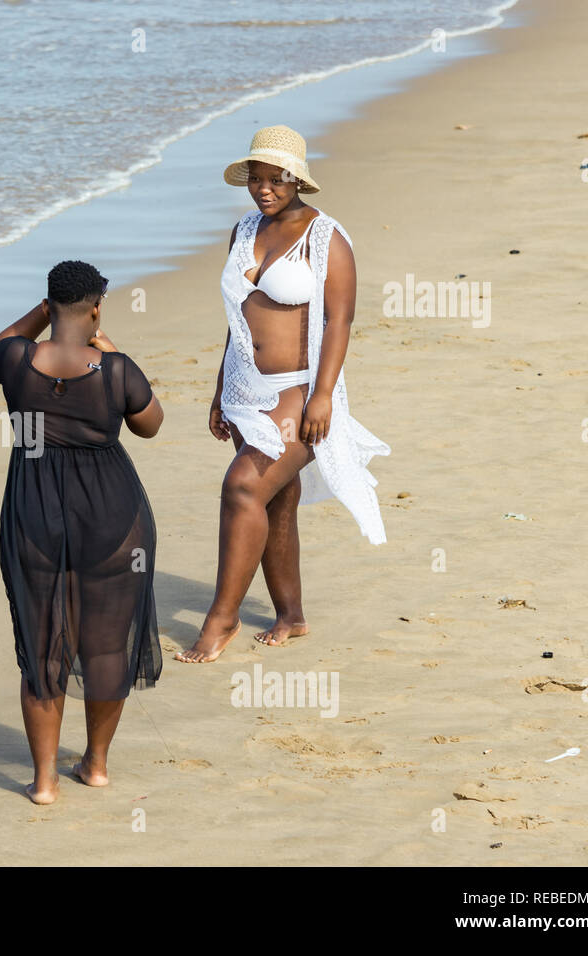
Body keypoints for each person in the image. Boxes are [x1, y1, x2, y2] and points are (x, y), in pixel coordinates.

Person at [176, 125, 389, 664]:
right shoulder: (244, 229)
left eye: (276, 180)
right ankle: (291, 615)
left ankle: (220, 621)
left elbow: (340, 321)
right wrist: (221, 388)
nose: (264, 189)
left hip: (300, 391)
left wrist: (323, 397)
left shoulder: (326, 238)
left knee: (243, 486)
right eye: (256, 178)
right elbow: (237, 318)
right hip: (248, 389)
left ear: (298, 180)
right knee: (277, 500)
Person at [0, 260, 164, 804]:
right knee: (107, 644)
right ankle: (96, 764)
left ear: (47, 305)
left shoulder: (15, 361)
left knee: (42, 650)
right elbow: (151, 424)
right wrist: (103, 339)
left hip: (35, 511)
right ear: (95, 306)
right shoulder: (115, 369)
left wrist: (46, 312)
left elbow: (6, 339)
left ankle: (43, 781)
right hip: (114, 513)